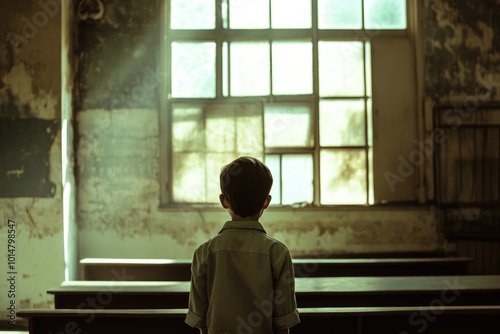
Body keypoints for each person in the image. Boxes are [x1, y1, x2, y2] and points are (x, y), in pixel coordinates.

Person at [185, 156, 300, 334]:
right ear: (266, 202)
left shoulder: (204, 253)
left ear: (224, 201)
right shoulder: (277, 253)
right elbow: (282, 322)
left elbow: (200, 321)